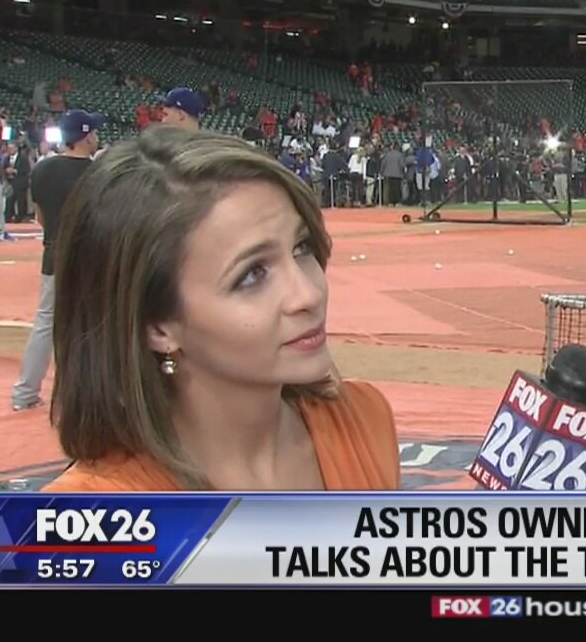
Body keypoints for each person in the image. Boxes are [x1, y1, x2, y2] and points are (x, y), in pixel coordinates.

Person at [42, 125, 399, 491]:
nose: (308, 294)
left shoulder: (365, 421)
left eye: (301, 248)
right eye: (251, 274)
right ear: (158, 327)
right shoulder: (90, 510)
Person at [11, 109, 103, 411]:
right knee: (90, 326)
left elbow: (40, 216)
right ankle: (83, 398)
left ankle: (25, 392)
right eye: (93, 133)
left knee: (45, 323)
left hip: (54, 252)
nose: (96, 137)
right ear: (85, 136)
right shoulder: (98, 173)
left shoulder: (43, 168)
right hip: (89, 257)